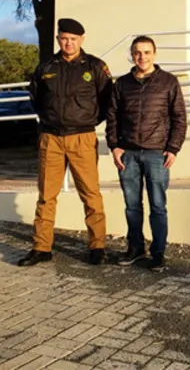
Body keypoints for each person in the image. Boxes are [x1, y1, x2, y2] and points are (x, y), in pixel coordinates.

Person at [17, 18, 114, 267]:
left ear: (82, 39)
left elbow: (107, 101)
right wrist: (50, 120)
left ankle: (97, 247)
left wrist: (86, 121)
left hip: (82, 138)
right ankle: (41, 247)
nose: (68, 43)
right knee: (46, 196)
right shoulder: (46, 67)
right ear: (58, 39)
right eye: (64, 38)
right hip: (51, 139)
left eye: (73, 39)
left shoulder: (95, 66)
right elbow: (36, 98)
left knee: (90, 194)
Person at [105, 35, 187, 272]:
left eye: (147, 52)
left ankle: (158, 253)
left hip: (157, 154)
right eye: (137, 52)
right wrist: (114, 146)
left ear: (154, 54)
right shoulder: (122, 84)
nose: (142, 57)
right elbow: (112, 117)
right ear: (132, 55)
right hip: (128, 154)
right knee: (132, 206)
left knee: (158, 206)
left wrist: (173, 148)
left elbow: (179, 118)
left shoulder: (169, 82)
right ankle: (136, 248)